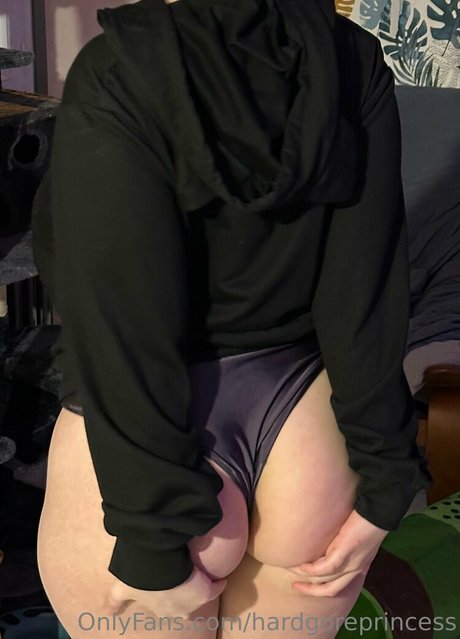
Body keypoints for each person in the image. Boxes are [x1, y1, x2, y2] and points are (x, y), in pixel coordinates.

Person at [31, 0, 433, 636]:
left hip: (151, 451)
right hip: (303, 438)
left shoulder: (116, 70)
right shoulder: (352, 58)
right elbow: (366, 287)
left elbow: (119, 317)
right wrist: (387, 476)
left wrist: (152, 539)